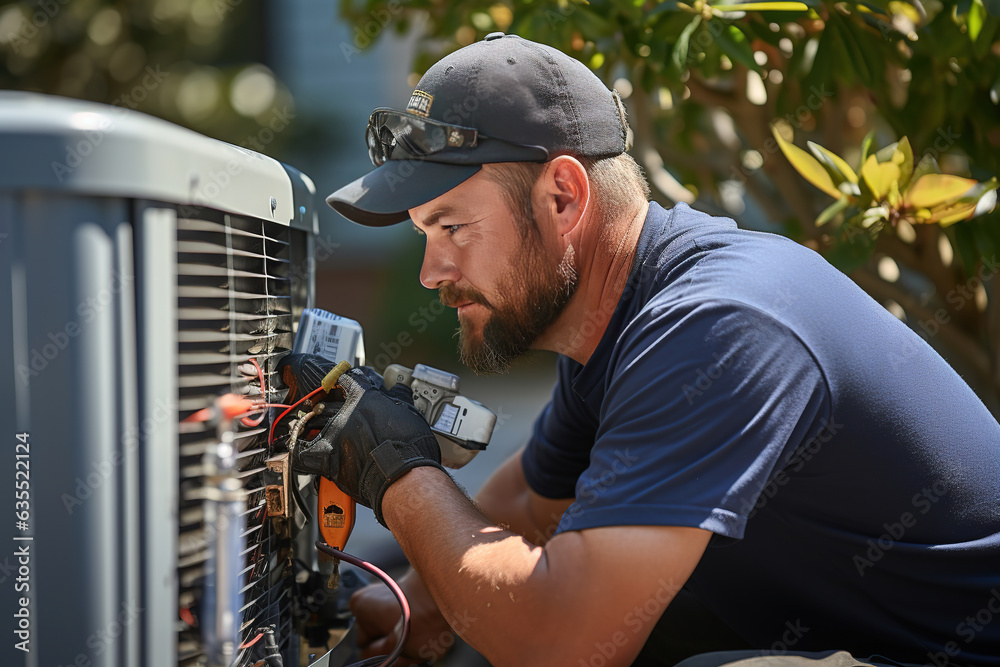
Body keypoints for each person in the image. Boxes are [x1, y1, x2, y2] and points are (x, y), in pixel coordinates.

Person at [291, 33, 1000, 667]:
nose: (431, 272)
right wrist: (406, 611)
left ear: (564, 196)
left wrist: (401, 476)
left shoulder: (718, 326)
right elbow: (528, 505)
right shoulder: (616, 319)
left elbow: (560, 645)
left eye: (452, 227)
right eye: (423, 234)